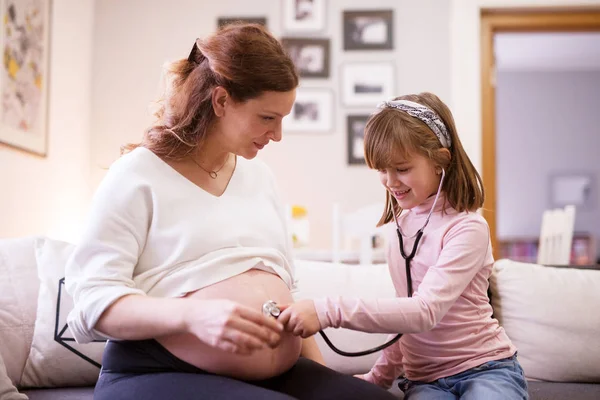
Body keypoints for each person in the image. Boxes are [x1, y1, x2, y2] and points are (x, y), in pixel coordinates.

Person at [64, 23, 396, 400]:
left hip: (274, 374)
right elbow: (91, 303)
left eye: (283, 119)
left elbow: (291, 292)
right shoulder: (138, 174)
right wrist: (192, 317)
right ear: (221, 101)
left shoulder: (259, 178)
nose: (278, 135)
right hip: (155, 369)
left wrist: (324, 384)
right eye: (267, 118)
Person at [278, 92, 529, 399]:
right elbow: (405, 320)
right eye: (381, 170)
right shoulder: (400, 231)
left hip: (486, 368)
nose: (390, 181)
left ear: (441, 161)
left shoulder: (467, 229)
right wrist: (379, 377)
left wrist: (325, 310)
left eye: (402, 168)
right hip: (426, 380)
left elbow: (424, 312)